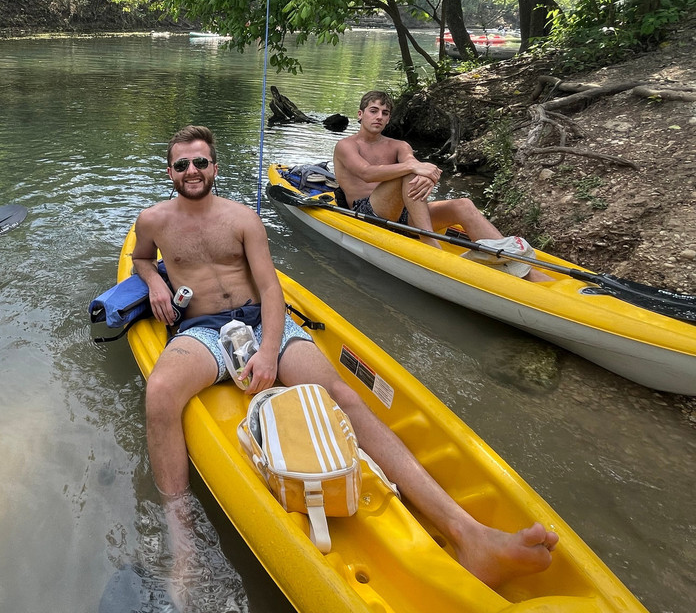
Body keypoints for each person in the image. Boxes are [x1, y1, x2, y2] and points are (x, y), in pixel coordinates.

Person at [132, 124, 557, 599]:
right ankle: (182, 541)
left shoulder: (242, 219)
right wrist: (152, 280)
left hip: (260, 320)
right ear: (170, 171)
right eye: (182, 164)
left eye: (201, 162)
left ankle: (467, 532)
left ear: (215, 166)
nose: (192, 171)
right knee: (162, 393)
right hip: (204, 329)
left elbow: (272, 289)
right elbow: (142, 258)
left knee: (342, 395)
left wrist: (269, 351)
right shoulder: (152, 221)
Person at [333, 90, 550, 280]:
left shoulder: (399, 145)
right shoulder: (346, 145)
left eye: (385, 113)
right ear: (360, 115)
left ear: (389, 119)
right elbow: (367, 173)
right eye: (373, 111)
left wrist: (429, 175)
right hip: (365, 214)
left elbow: (414, 165)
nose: (379, 117)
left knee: (463, 204)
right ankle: (429, 240)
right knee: (408, 171)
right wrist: (419, 169)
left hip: (402, 214)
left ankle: (513, 262)